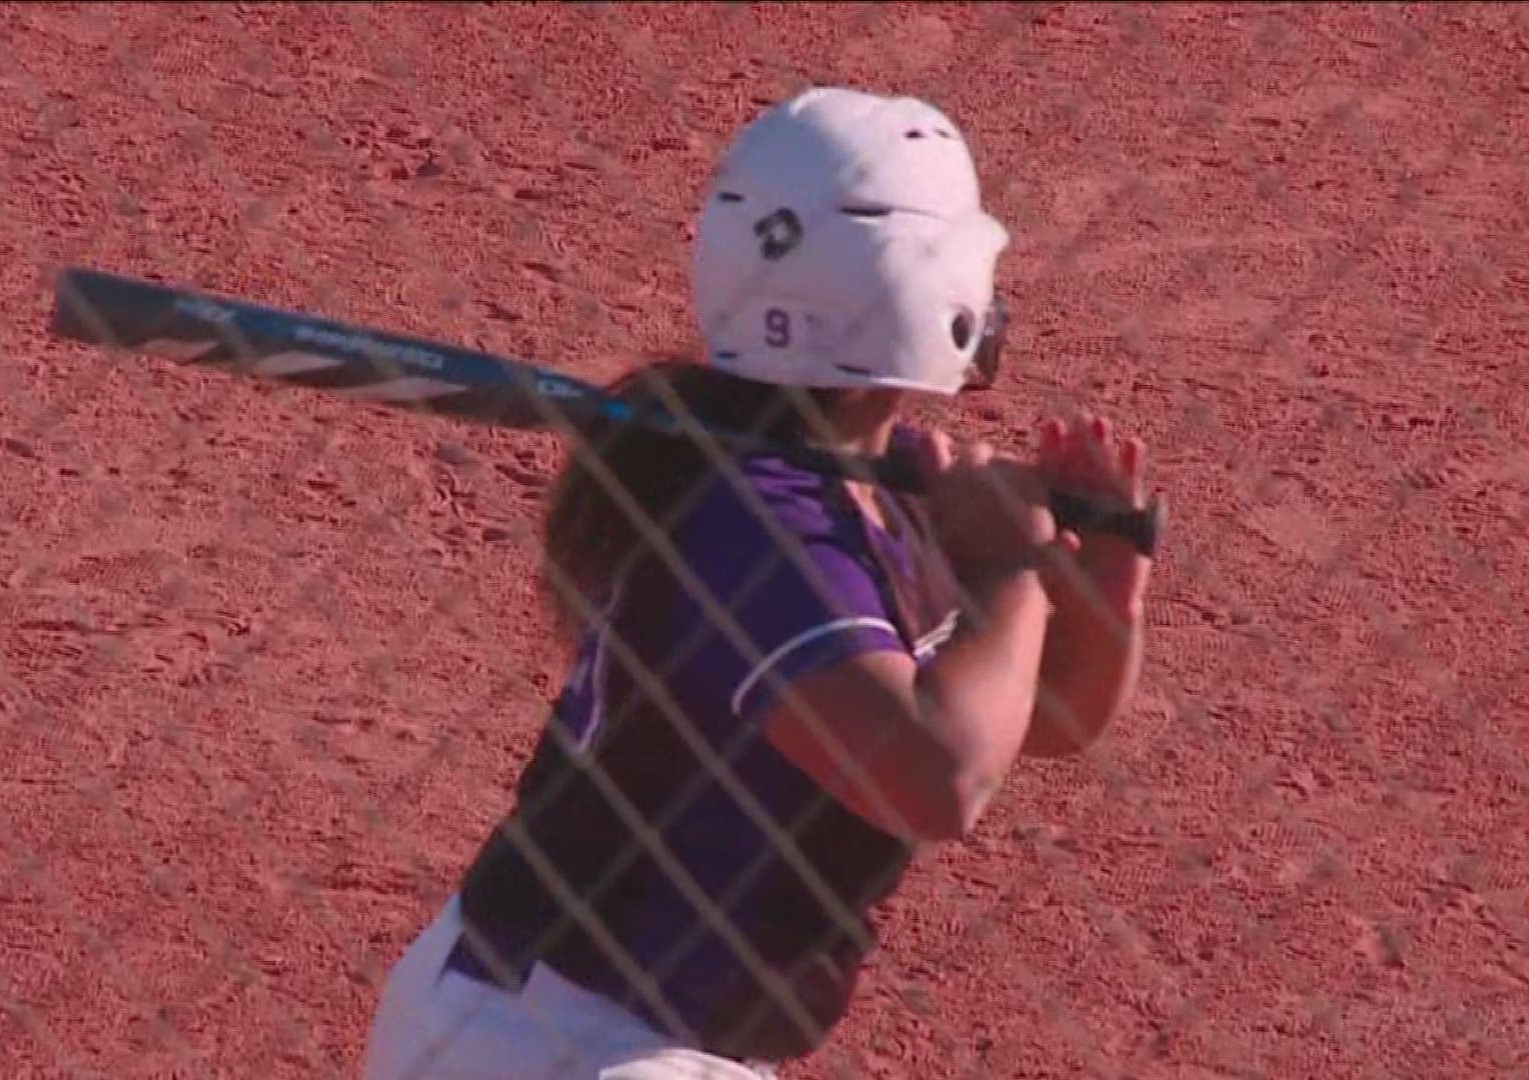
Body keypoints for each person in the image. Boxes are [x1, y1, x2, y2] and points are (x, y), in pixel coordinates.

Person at [360, 86, 1158, 1080]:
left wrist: (1106, 566)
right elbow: (941, 776)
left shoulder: (858, 481)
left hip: (573, 1026)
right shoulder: (760, 526)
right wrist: (1013, 569)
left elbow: (1039, 716)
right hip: (576, 1042)